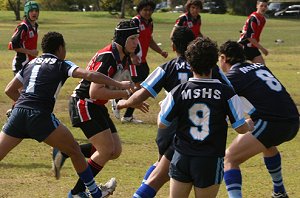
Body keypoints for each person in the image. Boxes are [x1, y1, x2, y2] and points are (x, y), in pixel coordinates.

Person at [0, 31, 133, 198]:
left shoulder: (31, 64)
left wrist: (22, 105)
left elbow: (9, 90)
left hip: (18, 114)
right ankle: (93, 193)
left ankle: (88, 192)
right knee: (75, 152)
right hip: (41, 116)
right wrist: (118, 84)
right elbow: (91, 75)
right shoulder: (61, 63)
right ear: (60, 48)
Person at [117, 28, 234, 198]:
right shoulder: (209, 68)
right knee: (158, 176)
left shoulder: (167, 67)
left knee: (159, 170)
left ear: (173, 46)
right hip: (190, 133)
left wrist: (124, 103)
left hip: (168, 128)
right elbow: (230, 91)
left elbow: (139, 96)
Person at [51, 20, 144, 197]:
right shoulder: (108, 56)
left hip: (96, 106)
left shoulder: (122, 56)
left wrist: (131, 99)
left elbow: (117, 88)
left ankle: (67, 151)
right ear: (123, 39)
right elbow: (95, 91)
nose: (136, 42)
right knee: (106, 149)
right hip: (84, 103)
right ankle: (77, 192)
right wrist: (125, 95)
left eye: (137, 38)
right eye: (133, 38)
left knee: (114, 151)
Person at [157, 37, 250, 198]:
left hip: (181, 157)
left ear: (190, 63)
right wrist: (249, 125)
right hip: (210, 160)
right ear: (214, 63)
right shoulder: (227, 92)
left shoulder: (178, 91)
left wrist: (161, 108)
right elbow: (240, 128)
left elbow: (162, 124)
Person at [219, 40, 299, 198]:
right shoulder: (260, 66)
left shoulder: (233, 75)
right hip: (293, 119)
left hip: (273, 122)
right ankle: (279, 191)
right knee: (265, 143)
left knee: (229, 159)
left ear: (223, 58)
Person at [111, 0, 168, 124]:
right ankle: (118, 102)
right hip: (134, 61)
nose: (148, 12)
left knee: (140, 87)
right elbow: (126, 40)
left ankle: (124, 109)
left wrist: (160, 51)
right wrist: (132, 55)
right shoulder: (135, 22)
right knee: (137, 87)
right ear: (140, 10)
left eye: (150, 10)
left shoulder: (150, 23)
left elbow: (150, 40)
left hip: (142, 61)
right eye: (145, 10)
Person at [8, 1, 40, 76]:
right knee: (22, 88)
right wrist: (30, 52)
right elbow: (12, 45)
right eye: (31, 11)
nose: (34, 13)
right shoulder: (23, 27)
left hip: (31, 65)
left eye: (36, 11)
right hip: (21, 65)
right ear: (26, 12)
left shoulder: (35, 26)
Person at [238, 0, 269, 64]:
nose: (263, 8)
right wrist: (262, 49)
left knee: (261, 67)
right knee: (239, 70)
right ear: (257, 6)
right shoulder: (254, 18)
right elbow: (249, 37)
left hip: (253, 46)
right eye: (261, 6)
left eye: (265, 6)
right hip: (244, 46)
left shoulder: (263, 19)